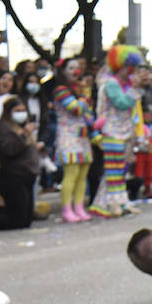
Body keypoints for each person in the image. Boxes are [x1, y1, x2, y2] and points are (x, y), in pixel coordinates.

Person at [89, 45, 146, 218]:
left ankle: (120, 201)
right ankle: (113, 203)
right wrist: (135, 89)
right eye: (129, 66)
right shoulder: (111, 84)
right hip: (111, 131)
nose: (131, 70)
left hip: (124, 131)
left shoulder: (124, 84)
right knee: (113, 169)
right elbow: (122, 103)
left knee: (121, 169)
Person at [47, 57, 95, 223]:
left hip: (82, 136)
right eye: (70, 68)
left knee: (82, 174)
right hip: (68, 135)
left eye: (77, 67)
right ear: (63, 71)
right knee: (71, 173)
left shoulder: (79, 89)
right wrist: (84, 97)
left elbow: (87, 113)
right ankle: (67, 209)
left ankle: (79, 207)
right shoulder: (61, 90)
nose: (75, 71)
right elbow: (75, 108)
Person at [0, 98, 40, 231]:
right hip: (12, 175)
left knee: (26, 220)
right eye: (17, 111)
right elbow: (9, 149)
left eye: (23, 110)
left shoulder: (22, 126)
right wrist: (24, 135)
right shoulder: (3, 128)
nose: (21, 113)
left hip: (27, 174)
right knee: (17, 221)